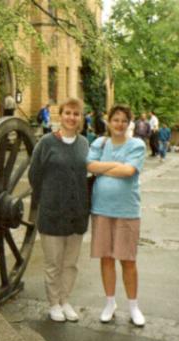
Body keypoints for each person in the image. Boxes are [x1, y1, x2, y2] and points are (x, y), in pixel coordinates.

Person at [29, 97, 90, 323]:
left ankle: (65, 300)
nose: (71, 117)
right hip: (53, 212)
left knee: (70, 263)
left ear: (80, 118)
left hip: (77, 213)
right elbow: (34, 175)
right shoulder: (46, 143)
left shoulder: (84, 143)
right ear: (60, 115)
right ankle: (54, 303)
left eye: (76, 114)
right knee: (53, 263)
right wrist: (49, 197)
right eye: (68, 113)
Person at [87, 104, 147, 327]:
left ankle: (133, 306)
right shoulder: (99, 143)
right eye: (116, 120)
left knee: (128, 260)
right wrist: (114, 165)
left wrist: (103, 167)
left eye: (124, 120)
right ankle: (110, 303)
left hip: (127, 211)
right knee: (107, 258)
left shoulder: (137, 145)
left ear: (129, 123)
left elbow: (129, 171)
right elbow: (90, 165)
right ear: (109, 122)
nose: (119, 124)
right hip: (102, 209)